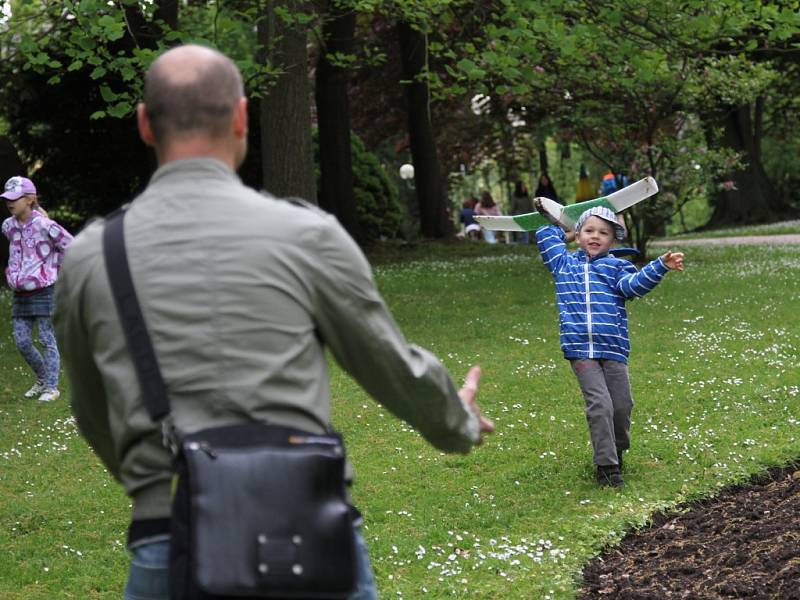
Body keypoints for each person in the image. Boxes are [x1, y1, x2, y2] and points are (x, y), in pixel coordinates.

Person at [54, 44, 494, 600]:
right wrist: (455, 418)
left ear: (145, 124)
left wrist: (160, 483)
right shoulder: (306, 236)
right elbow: (385, 361)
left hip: (168, 539)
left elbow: (91, 410)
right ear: (241, 116)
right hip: (305, 533)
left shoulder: (92, 256)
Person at [533, 202, 684, 488]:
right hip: (580, 351)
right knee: (599, 405)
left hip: (613, 348)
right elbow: (544, 236)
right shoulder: (564, 266)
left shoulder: (616, 267)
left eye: (603, 232)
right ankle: (607, 467)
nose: (595, 236)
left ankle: (616, 448)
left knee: (621, 406)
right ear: (577, 236)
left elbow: (633, 286)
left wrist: (660, 266)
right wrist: (562, 226)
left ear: (613, 240)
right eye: (588, 230)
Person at [2, 176, 73, 402]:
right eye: (7, 199)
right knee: (22, 341)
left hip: (44, 290)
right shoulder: (7, 226)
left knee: (46, 339)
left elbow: (70, 245)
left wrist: (54, 269)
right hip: (20, 293)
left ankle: (51, 388)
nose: (10, 203)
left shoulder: (45, 225)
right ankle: (42, 379)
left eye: (15, 198)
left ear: (30, 199)